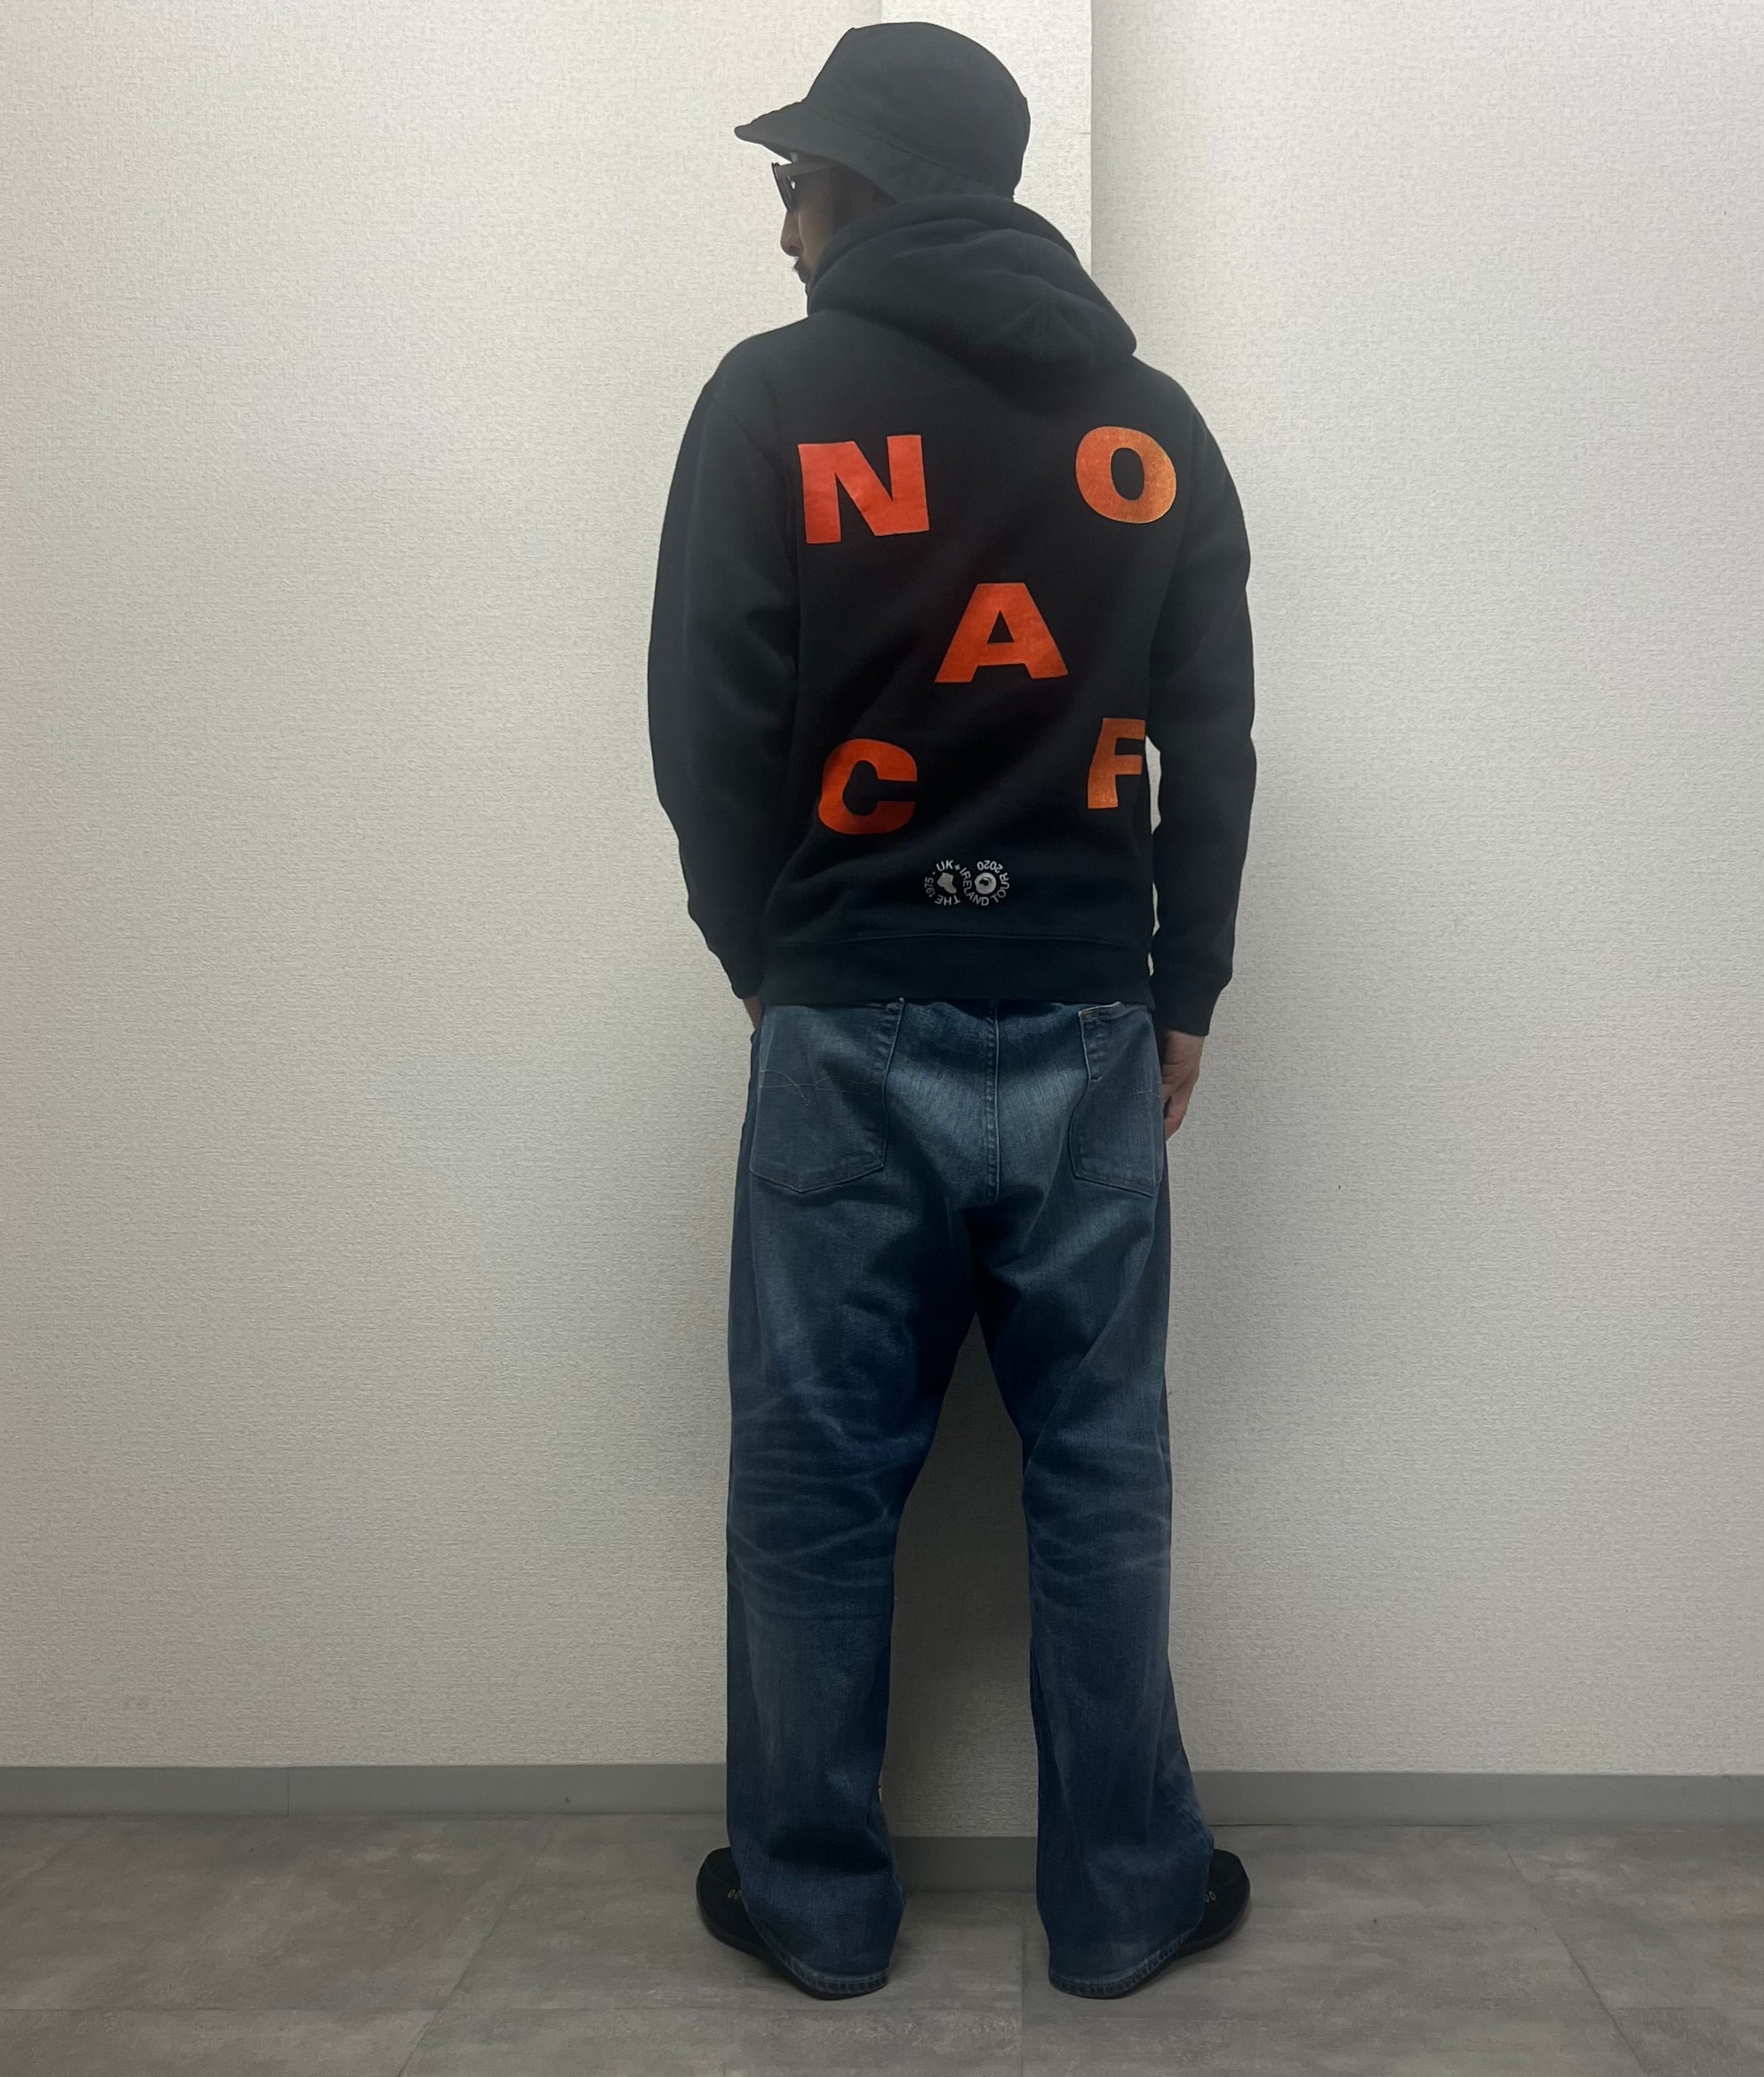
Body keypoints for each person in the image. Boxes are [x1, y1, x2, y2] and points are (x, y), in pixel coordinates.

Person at [646, 21, 1257, 2001]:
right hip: (1083, 1016)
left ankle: (817, 1911)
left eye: (794, 184)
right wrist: (1182, 982)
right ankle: (1124, 1900)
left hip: (849, 1014)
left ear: (869, 184)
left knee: (814, 1476)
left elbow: (706, 718)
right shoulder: (1149, 425)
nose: (783, 228)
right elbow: (1211, 739)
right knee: (1101, 1470)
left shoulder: (770, 400)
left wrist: (768, 951)